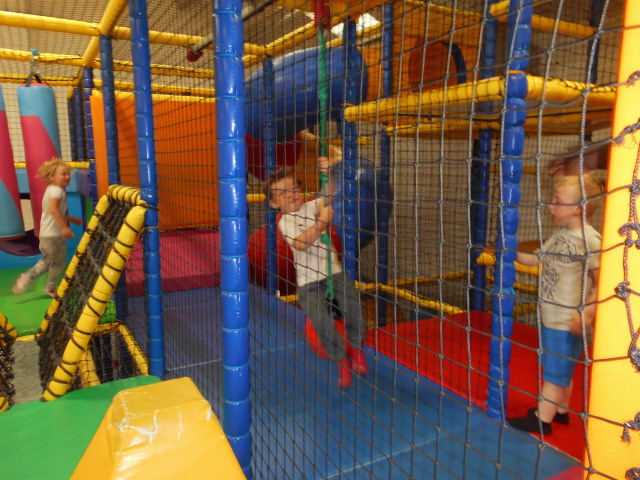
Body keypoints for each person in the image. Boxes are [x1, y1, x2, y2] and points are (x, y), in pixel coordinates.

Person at [508, 174, 604, 435]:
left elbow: (604, 280)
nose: (550, 206)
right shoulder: (560, 235)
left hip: (567, 322)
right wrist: (511, 250)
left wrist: (588, 312)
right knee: (562, 370)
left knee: (554, 375)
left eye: (557, 201)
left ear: (578, 208)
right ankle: (560, 411)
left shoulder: (590, 240)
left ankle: (542, 420)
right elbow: (534, 260)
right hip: (551, 318)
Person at [263, 153, 367, 389]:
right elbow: (301, 243)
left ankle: (357, 350)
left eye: (294, 188)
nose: (292, 194)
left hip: (333, 275)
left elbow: (328, 195)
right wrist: (321, 223)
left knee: (352, 310)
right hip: (309, 285)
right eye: (283, 193)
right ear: (274, 204)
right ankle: (342, 361)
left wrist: (327, 172)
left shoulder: (310, 206)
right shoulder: (285, 221)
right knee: (322, 322)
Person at [12, 158, 82, 298]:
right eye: (63, 174)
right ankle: (50, 288)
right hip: (54, 235)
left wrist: (70, 219)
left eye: (68, 174)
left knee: (49, 260)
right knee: (58, 262)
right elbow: (53, 209)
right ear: (51, 176)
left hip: (46, 234)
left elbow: (54, 211)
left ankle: (26, 278)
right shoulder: (57, 191)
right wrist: (64, 228)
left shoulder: (51, 189)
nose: (67, 176)